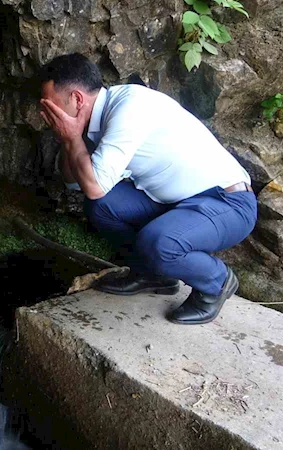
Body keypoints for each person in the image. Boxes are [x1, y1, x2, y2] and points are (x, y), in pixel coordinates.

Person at [37, 53, 257, 325]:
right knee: (103, 207)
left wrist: (72, 138)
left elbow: (94, 185)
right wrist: (68, 139)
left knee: (158, 243)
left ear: (77, 99)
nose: (46, 115)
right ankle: (152, 275)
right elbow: (75, 181)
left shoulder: (129, 108)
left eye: (50, 106)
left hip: (227, 202)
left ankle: (217, 281)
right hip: (173, 202)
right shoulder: (96, 121)